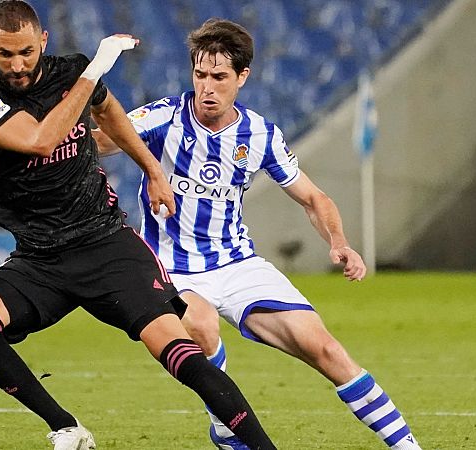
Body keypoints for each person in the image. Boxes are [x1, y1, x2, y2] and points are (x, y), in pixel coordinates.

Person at [0, 2, 277, 449]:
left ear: (43, 40)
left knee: (179, 351)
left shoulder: (71, 73)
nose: (17, 64)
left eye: (26, 51)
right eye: (5, 54)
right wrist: (94, 72)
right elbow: (40, 141)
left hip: (107, 245)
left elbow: (110, 116)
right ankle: (66, 426)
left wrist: (154, 170)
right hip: (40, 258)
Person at [94, 18, 422, 450]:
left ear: (242, 77)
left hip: (238, 264)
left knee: (325, 349)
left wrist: (339, 243)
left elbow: (314, 199)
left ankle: (407, 447)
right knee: (203, 326)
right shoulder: (163, 117)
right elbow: (104, 140)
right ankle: (227, 423)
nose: (207, 87)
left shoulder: (261, 135)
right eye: (200, 75)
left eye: (219, 77)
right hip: (172, 269)